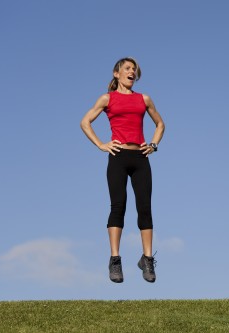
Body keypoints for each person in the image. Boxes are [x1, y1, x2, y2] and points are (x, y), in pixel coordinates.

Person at [80, 57, 165, 283]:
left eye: (134, 70)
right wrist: (101, 144)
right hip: (117, 157)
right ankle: (115, 260)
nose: (132, 72)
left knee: (144, 208)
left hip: (140, 157)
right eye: (127, 68)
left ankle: (147, 260)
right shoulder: (107, 99)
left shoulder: (143, 99)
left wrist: (154, 145)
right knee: (118, 206)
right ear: (116, 73)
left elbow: (160, 124)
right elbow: (85, 121)